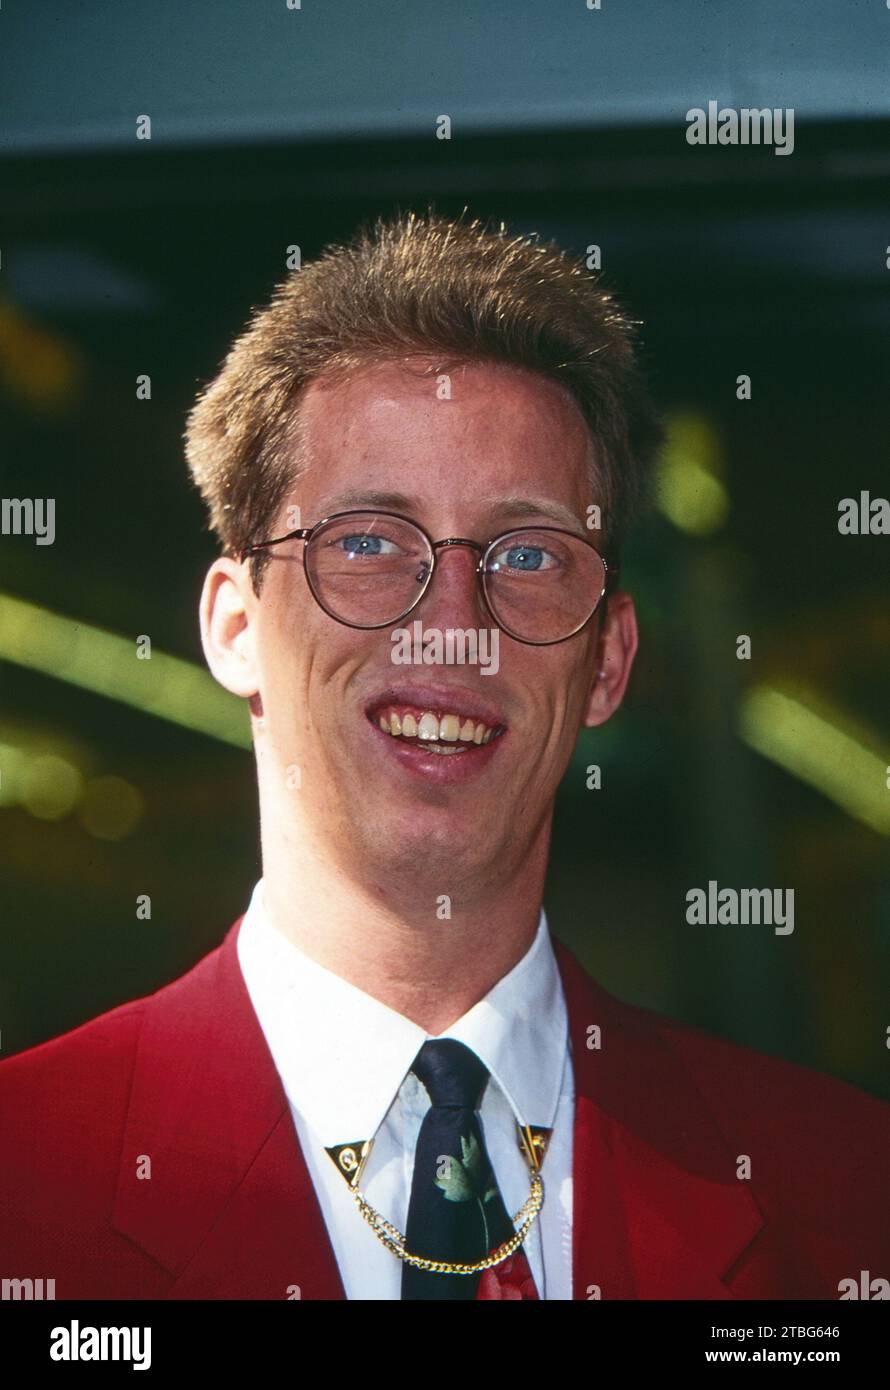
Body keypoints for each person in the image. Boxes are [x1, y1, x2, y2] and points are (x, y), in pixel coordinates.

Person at [1, 212, 887, 1301]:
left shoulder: (844, 1197)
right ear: (235, 626)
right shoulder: (23, 1183)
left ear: (607, 660)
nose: (452, 624)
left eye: (526, 553)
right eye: (368, 541)